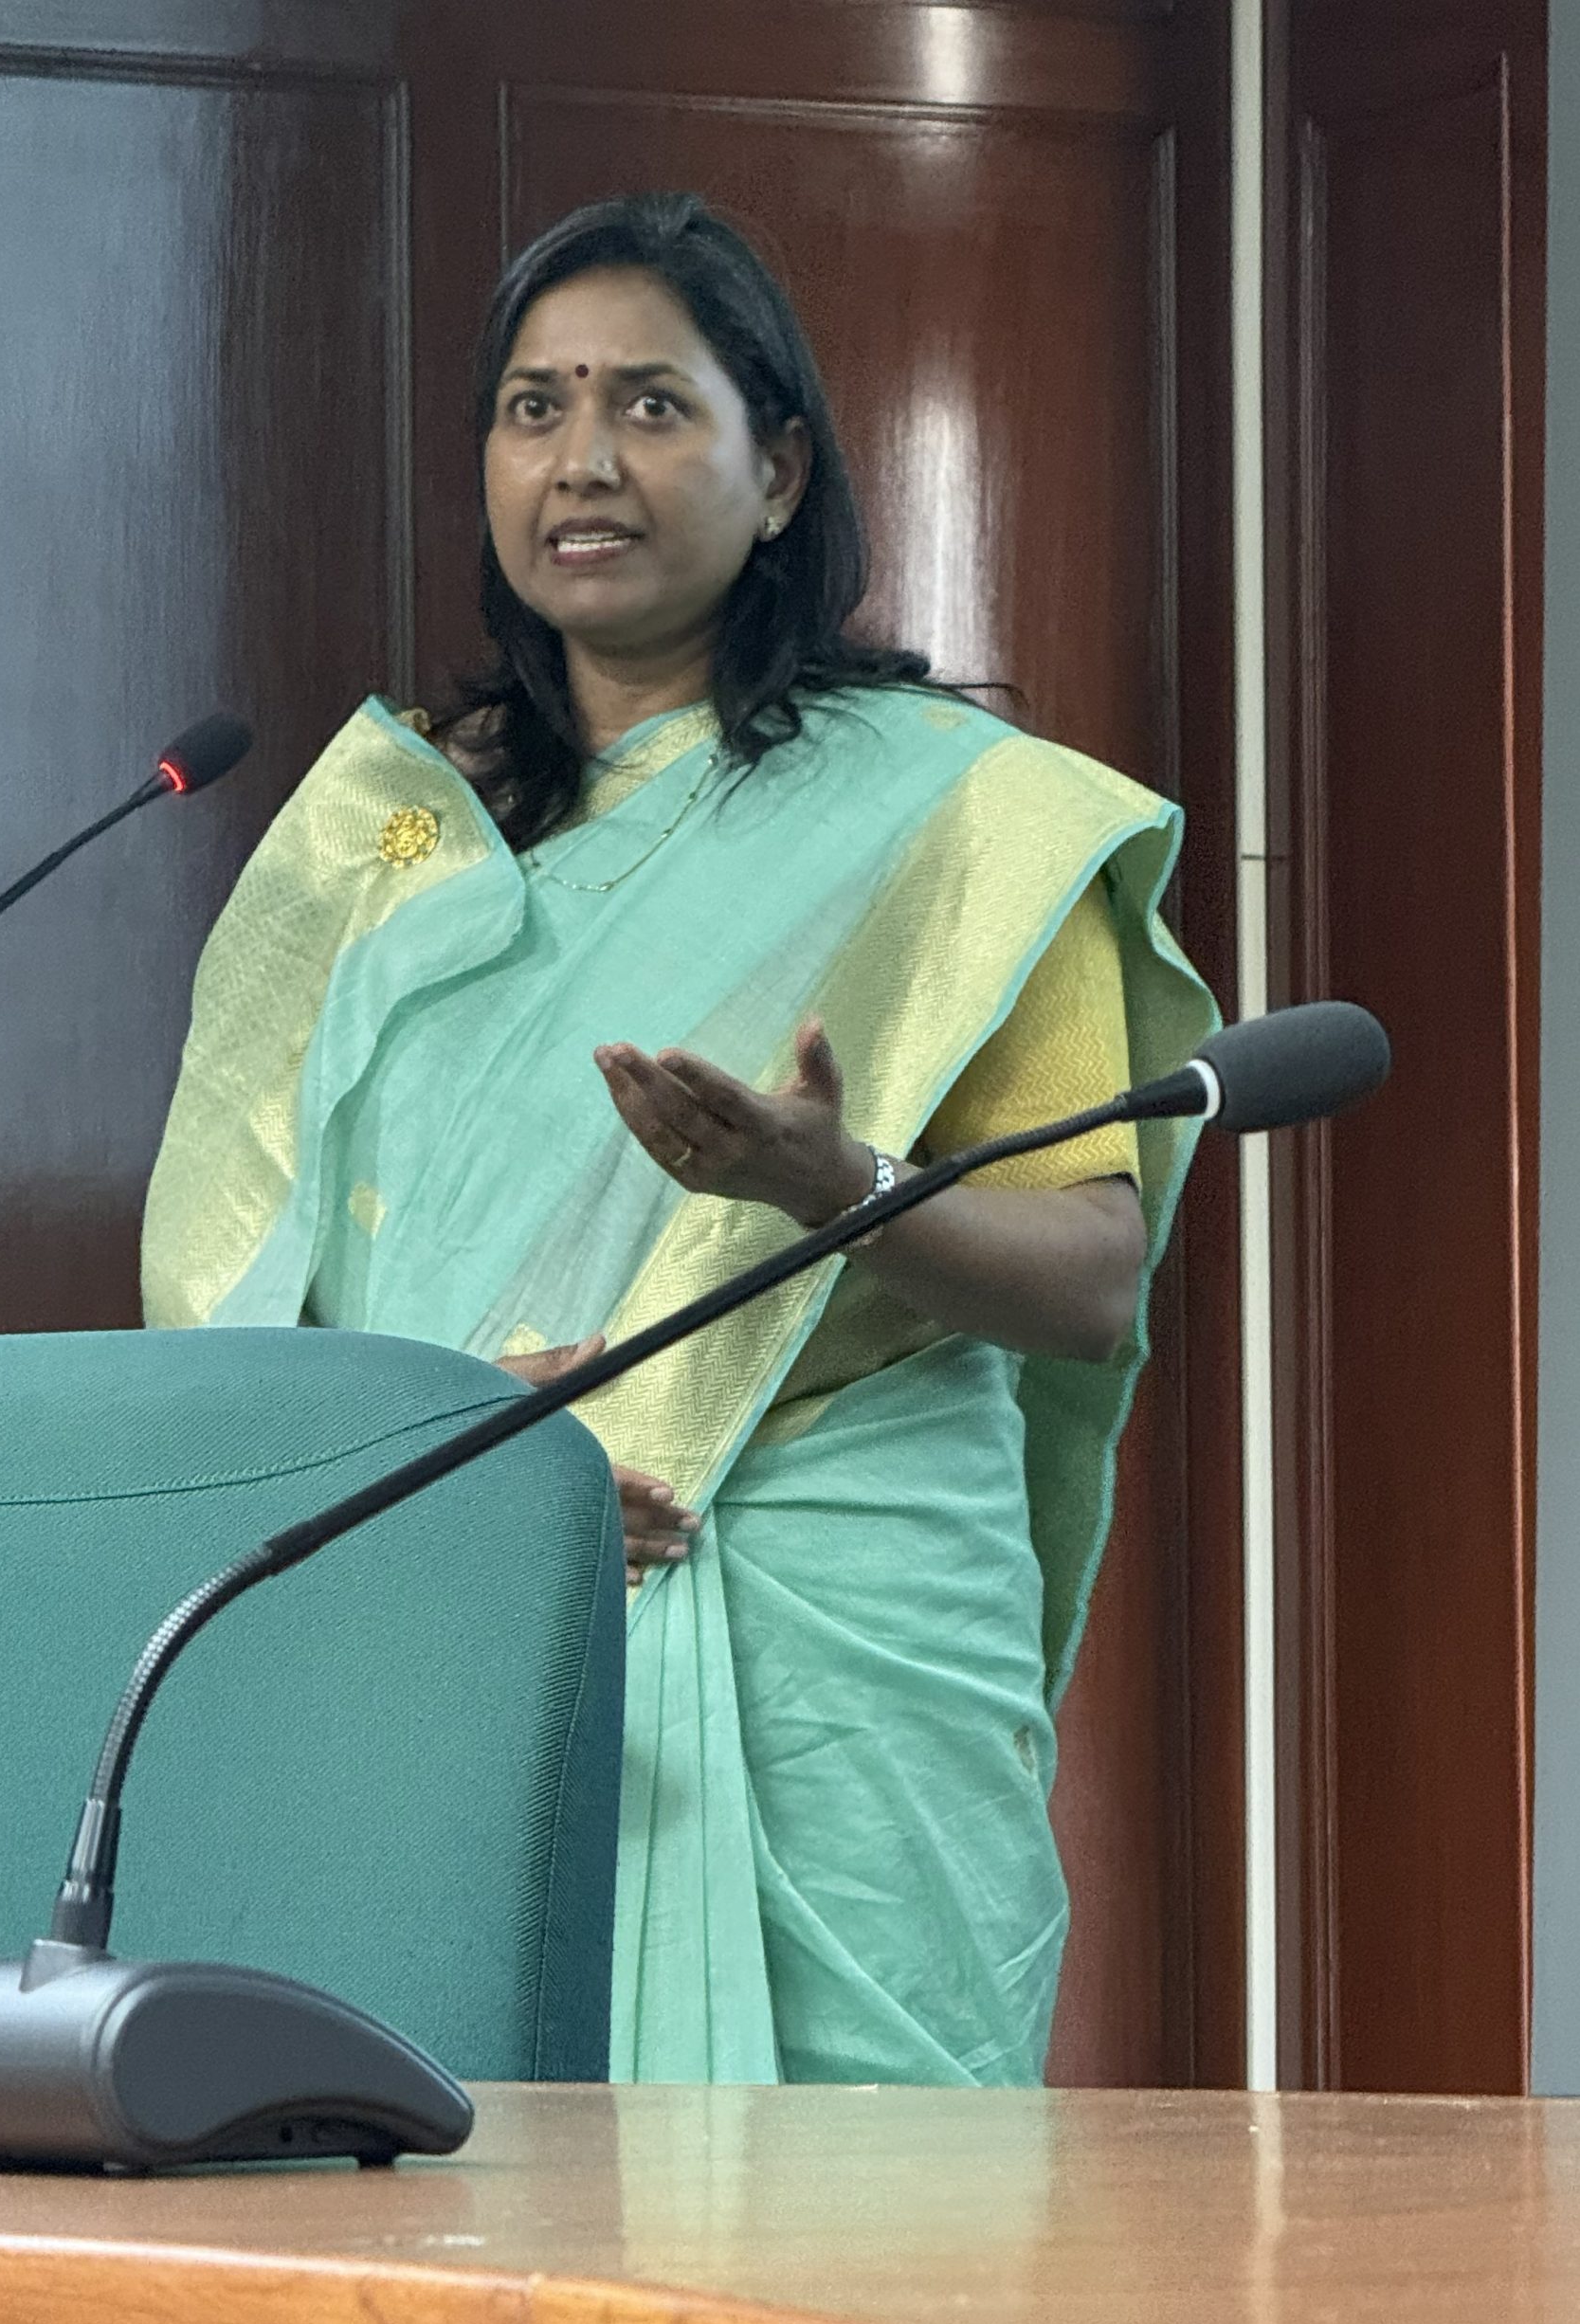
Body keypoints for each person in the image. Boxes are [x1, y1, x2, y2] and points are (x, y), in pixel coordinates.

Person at [141, 191, 1216, 2087]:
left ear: (777, 468)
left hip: (825, 1627)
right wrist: (441, 1431)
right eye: (534, 407)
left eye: (650, 404)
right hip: (454, 1599)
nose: (582, 460)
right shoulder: (385, 843)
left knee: (867, 2216)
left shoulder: (958, 825)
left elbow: (1086, 1282)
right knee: (446, 2191)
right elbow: (238, 1282)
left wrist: (832, 1186)